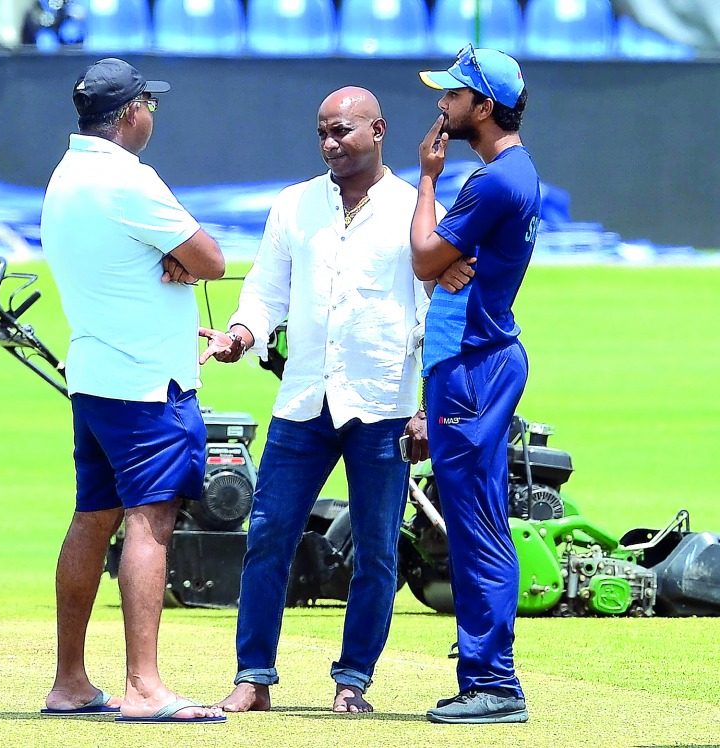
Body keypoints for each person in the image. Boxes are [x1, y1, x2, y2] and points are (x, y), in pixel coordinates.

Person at [209, 87, 449, 715]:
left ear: (379, 130)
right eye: (322, 132)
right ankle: (253, 675)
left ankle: (354, 681)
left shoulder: (413, 209)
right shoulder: (294, 205)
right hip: (304, 399)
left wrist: (426, 406)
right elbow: (264, 292)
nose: (330, 144)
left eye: (342, 131)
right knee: (267, 536)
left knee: (375, 549)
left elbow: (433, 315)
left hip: (384, 404)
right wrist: (241, 335)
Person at [38, 57, 229, 724]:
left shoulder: (66, 176)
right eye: (151, 103)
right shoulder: (128, 178)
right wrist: (173, 258)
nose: (153, 114)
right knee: (152, 521)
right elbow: (211, 260)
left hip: (93, 376)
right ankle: (144, 686)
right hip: (148, 381)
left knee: (93, 517)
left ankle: (69, 680)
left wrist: (162, 259)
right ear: (131, 113)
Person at [411, 44, 540, 725]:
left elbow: (424, 255)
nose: (442, 104)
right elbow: (438, 265)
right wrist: (441, 264)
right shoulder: (508, 174)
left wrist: (428, 181)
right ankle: (486, 679)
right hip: (477, 359)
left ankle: (493, 684)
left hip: (475, 363)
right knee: (472, 522)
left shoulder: (491, 182)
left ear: (483, 107)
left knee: (478, 527)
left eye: (454, 95)